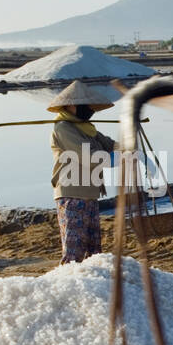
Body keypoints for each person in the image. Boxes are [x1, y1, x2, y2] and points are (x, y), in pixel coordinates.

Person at [47, 80, 118, 264]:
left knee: (93, 251)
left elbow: (111, 145)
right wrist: (117, 159)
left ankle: (93, 284)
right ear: (70, 106)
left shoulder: (87, 129)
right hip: (72, 194)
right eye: (84, 106)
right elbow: (90, 157)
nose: (89, 109)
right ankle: (68, 288)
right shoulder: (63, 128)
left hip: (90, 193)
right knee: (74, 251)